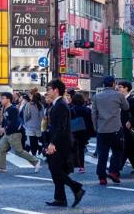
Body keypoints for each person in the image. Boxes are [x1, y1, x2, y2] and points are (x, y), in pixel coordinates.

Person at [44, 79, 85, 208]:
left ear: (56, 90)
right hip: (60, 142)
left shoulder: (61, 104)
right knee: (56, 170)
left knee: (56, 170)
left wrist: (52, 143)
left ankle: (76, 187)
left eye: (49, 89)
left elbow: (60, 127)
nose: (47, 92)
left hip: (60, 143)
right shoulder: (58, 104)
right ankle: (60, 198)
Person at [91, 76, 129, 185]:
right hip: (116, 128)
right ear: (113, 84)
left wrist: (95, 127)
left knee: (102, 154)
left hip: (102, 129)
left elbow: (93, 114)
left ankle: (102, 177)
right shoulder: (119, 95)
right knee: (118, 151)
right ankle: (113, 171)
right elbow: (126, 107)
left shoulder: (96, 96)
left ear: (103, 84)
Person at [0, 92, 41, 173]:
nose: (1, 100)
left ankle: (36, 161)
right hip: (8, 133)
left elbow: (14, 123)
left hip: (14, 133)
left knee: (19, 151)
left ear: (8, 99)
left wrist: (5, 128)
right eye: (1, 98)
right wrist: (3, 127)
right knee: (1, 149)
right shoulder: (5, 108)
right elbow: (5, 120)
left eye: (3, 98)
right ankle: (2, 167)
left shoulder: (13, 109)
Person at [70, 93, 94, 174]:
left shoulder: (71, 109)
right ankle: (82, 167)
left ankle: (72, 165)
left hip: (74, 131)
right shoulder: (87, 110)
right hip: (84, 132)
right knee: (81, 149)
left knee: (72, 148)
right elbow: (91, 122)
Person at [23, 92, 44, 156]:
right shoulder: (41, 105)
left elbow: (25, 115)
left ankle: (33, 154)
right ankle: (39, 149)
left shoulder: (28, 104)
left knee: (32, 141)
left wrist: (25, 123)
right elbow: (42, 117)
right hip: (38, 126)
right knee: (37, 140)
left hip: (30, 125)